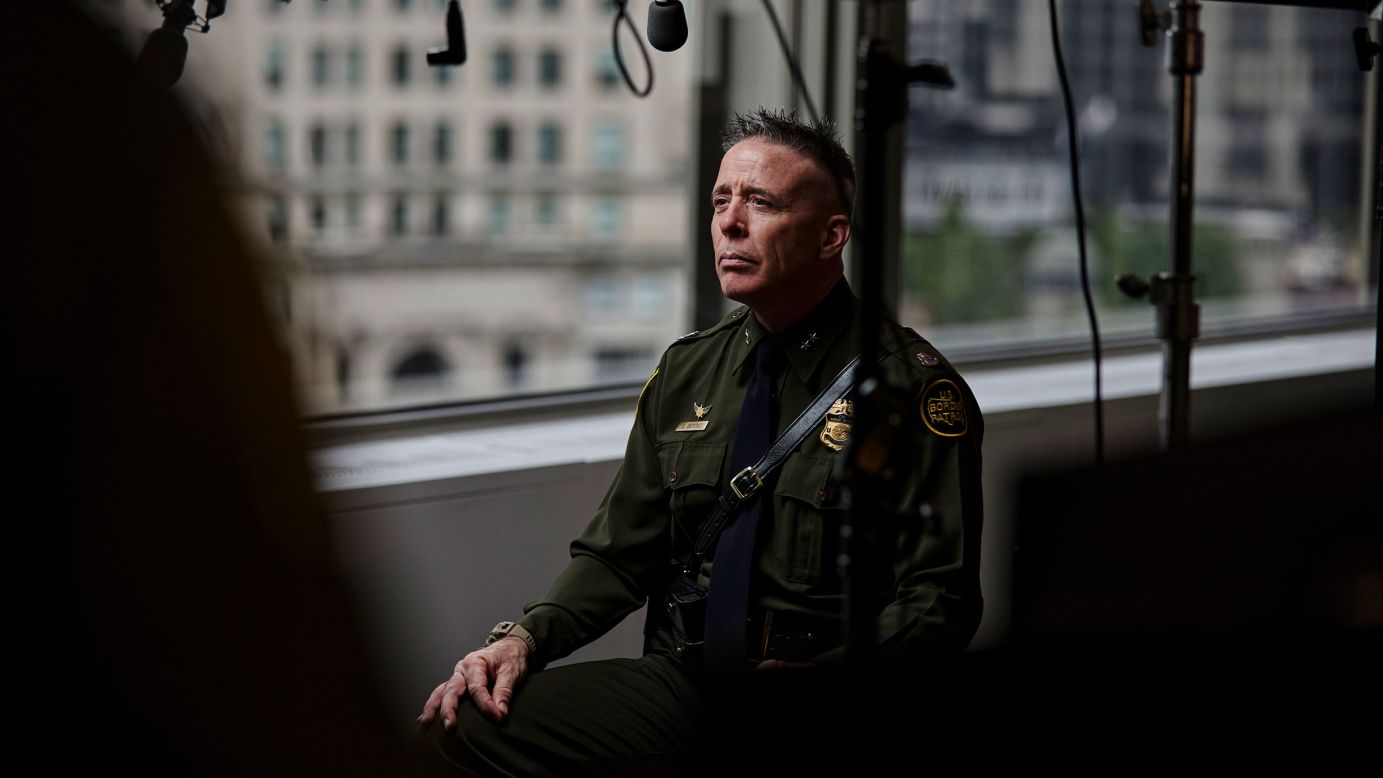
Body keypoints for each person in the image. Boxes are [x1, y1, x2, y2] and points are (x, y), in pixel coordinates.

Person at [417, 108, 983, 775]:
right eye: (721, 202)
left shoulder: (908, 392)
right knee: (459, 724)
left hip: (822, 695)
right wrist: (522, 640)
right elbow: (617, 556)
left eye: (761, 203)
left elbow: (938, 601)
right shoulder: (688, 371)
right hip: (687, 684)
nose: (729, 223)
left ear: (831, 237)